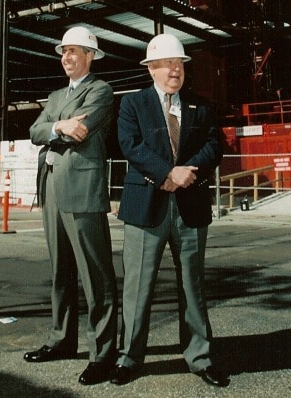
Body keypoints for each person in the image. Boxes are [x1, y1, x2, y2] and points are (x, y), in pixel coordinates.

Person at [110, 33, 229, 388]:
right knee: (137, 287)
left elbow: (213, 145)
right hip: (146, 207)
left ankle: (200, 357)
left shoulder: (201, 106)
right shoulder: (133, 104)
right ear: (151, 69)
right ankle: (129, 358)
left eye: (179, 64)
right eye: (166, 64)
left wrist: (185, 173)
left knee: (192, 285)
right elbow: (129, 144)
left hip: (190, 208)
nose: (174, 70)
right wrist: (166, 173)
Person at [23, 27, 118, 386]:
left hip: (82, 190)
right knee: (60, 272)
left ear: (91, 56)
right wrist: (58, 124)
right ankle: (62, 340)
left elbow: (83, 130)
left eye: (74, 51)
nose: (66, 57)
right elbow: (35, 131)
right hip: (51, 190)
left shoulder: (101, 91)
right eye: (64, 52)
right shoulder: (55, 94)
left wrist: (54, 126)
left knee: (96, 276)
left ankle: (103, 355)